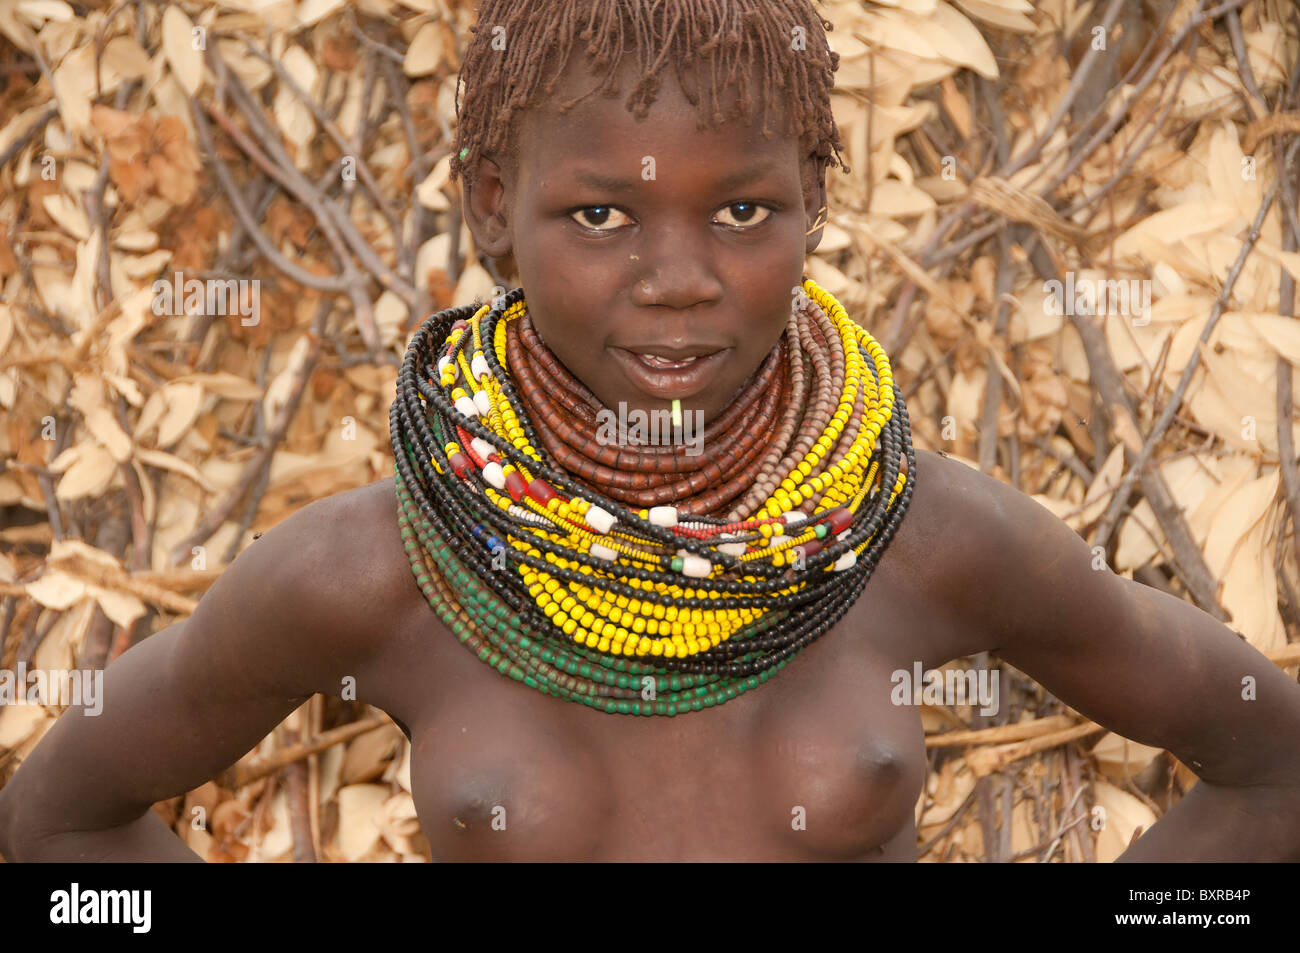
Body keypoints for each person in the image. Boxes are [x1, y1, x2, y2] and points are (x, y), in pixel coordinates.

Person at [2, 0, 1299, 863]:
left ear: (814, 204)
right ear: (491, 208)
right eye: (602, 217)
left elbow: (1269, 767)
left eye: (740, 211)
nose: (678, 276)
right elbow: (60, 832)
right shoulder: (375, 578)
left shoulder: (925, 543)